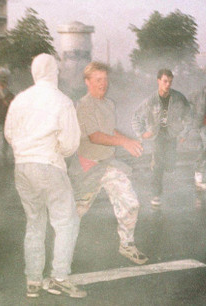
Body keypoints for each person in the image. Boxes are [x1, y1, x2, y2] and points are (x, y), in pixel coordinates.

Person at [5, 53, 86, 299]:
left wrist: (24, 150)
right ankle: (60, 277)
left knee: (34, 221)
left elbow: (9, 133)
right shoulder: (62, 101)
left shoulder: (20, 99)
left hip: (23, 167)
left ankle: (33, 280)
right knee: (65, 222)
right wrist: (55, 151)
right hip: (49, 164)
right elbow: (71, 143)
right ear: (55, 73)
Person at [68, 61, 148, 265]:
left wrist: (129, 140)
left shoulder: (109, 104)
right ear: (87, 82)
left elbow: (109, 130)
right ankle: (62, 253)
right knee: (76, 212)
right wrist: (124, 142)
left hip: (109, 164)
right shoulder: (83, 105)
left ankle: (127, 244)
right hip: (88, 166)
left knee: (130, 203)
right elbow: (95, 136)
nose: (103, 83)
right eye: (97, 80)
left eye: (105, 79)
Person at [132, 69, 191, 206]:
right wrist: (141, 133)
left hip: (172, 135)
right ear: (158, 81)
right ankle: (156, 194)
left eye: (170, 81)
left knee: (170, 166)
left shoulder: (178, 98)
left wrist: (184, 133)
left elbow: (189, 116)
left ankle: (163, 166)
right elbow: (136, 117)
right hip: (157, 136)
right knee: (158, 165)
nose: (168, 84)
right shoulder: (151, 101)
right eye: (165, 81)